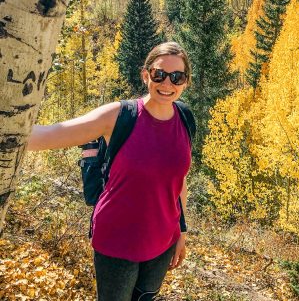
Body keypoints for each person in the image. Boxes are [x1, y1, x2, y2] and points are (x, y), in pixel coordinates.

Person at [28, 41, 194, 301]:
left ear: (186, 81)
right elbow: (50, 135)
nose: (167, 84)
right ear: (146, 75)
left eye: (177, 77)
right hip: (117, 241)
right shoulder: (120, 115)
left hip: (163, 241)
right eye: (159, 74)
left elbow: (179, 181)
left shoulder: (185, 118)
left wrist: (182, 232)